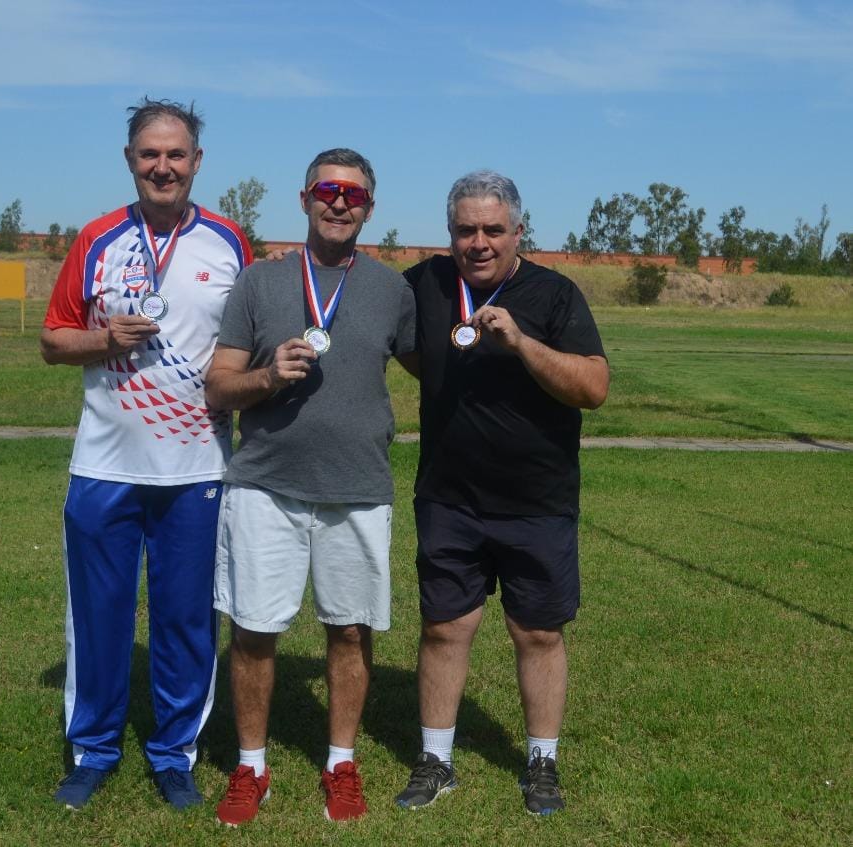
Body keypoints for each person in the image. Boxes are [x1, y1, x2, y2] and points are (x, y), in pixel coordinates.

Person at [40, 97, 252, 811]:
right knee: (96, 613)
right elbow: (52, 339)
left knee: (186, 617)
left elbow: (246, 345)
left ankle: (173, 753)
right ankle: (93, 748)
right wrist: (105, 341)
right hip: (103, 464)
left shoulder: (229, 242)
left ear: (196, 162)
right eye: (148, 154)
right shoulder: (97, 238)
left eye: (176, 154)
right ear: (130, 159)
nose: (163, 166)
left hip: (196, 467)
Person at [204, 148, 415, 826]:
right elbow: (217, 385)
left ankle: (340, 763)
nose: (339, 203)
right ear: (303, 199)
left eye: (353, 195)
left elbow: (437, 366)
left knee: (348, 632)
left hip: (356, 487)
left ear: (369, 209)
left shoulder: (391, 290)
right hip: (266, 485)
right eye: (327, 190)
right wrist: (267, 377)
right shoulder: (258, 284)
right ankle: (251, 766)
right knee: (254, 631)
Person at [393, 170, 608, 816]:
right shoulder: (424, 284)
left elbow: (593, 386)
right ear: (450, 232)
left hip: (535, 499)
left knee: (536, 632)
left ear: (518, 231)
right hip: (448, 496)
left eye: (492, 229)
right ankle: (436, 759)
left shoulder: (553, 294)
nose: (478, 242)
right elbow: (404, 346)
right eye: (465, 229)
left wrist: (520, 343)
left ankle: (541, 761)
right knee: (442, 626)